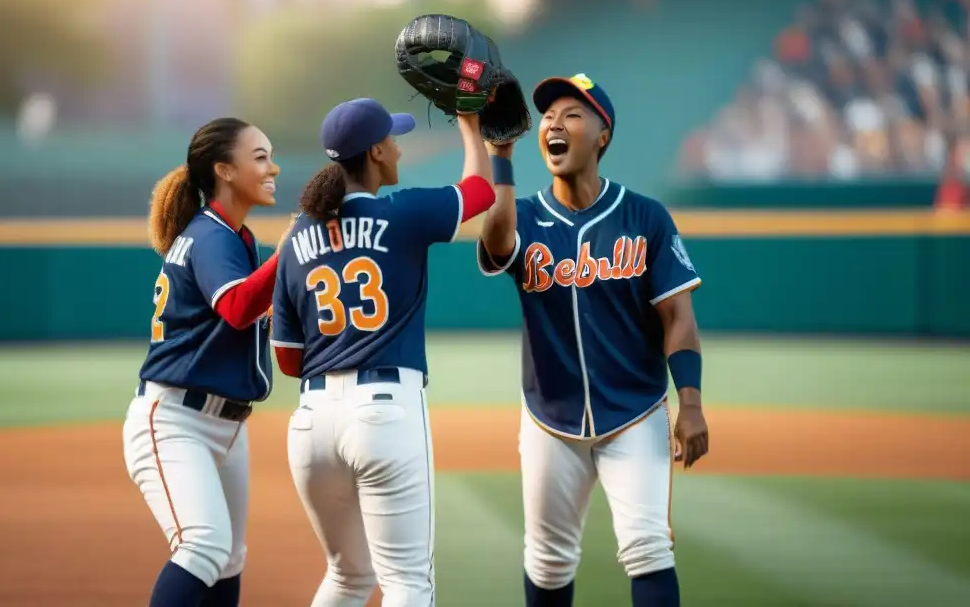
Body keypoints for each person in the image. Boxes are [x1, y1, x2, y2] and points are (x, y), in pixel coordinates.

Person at [476, 74, 710, 607]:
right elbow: (497, 240)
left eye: (572, 115)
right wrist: (500, 158)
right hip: (550, 419)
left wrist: (691, 402)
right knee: (548, 560)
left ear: (603, 135)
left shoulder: (644, 216)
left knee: (649, 548)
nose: (554, 124)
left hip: (635, 412)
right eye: (548, 117)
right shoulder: (524, 215)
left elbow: (678, 316)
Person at [271, 97, 496, 607]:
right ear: (375, 152)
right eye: (392, 139)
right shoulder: (404, 212)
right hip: (384, 414)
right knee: (407, 583)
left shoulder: (297, 235)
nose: (397, 148)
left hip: (311, 423)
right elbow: (481, 191)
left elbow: (288, 360)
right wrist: (470, 124)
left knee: (348, 576)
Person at [122, 117, 283, 607]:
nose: (273, 167)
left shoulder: (235, 237)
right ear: (224, 170)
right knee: (204, 547)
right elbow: (237, 307)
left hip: (225, 423)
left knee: (228, 558)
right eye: (260, 157)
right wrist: (290, 251)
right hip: (177, 420)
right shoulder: (212, 236)